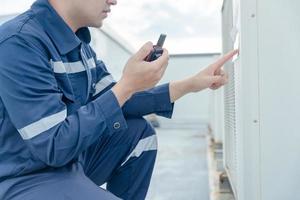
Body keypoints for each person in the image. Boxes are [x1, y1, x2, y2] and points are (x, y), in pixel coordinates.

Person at [0, 0, 238, 199]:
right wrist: (127, 85)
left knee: (137, 132)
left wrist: (192, 84)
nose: (114, 0)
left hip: (70, 162)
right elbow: (53, 145)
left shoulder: (80, 46)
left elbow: (119, 101)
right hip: (24, 178)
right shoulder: (19, 42)